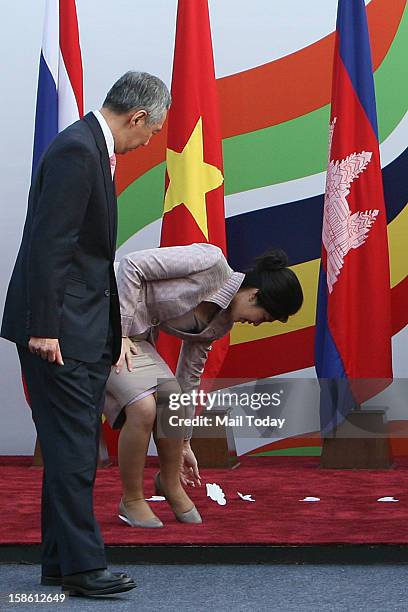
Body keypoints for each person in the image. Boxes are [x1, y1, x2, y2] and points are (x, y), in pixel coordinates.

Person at [1, 71, 171, 596]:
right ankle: (81, 568)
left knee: (68, 448)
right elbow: (51, 244)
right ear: (137, 117)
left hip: (78, 326)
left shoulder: (87, 146)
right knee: (76, 452)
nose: (149, 143)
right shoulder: (79, 150)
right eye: (152, 132)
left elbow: (81, 254)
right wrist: (46, 328)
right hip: (60, 332)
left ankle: (59, 564)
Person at [105, 243, 303, 528]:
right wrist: (121, 331)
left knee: (172, 397)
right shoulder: (209, 261)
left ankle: (170, 483)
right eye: (265, 317)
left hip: (135, 339)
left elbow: (189, 378)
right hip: (100, 317)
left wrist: (184, 441)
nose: (258, 324)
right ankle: (132, 499)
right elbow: (131, 266)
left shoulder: (222, 324)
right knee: (145, 407)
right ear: (255, 295)